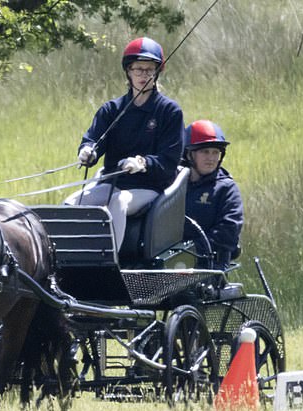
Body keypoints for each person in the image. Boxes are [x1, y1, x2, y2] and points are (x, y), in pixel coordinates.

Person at [65, 37, 185, 251]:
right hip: (112, 183)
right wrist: (87, 151)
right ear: (128, 71)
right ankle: (67, 261)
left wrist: (142, 163)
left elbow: (169, 160)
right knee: (71, 203)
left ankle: (110, 264)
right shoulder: (111, 109)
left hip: (150, 187)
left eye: (149, 70)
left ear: (157, 72)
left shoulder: (169, 111)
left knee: (118, 202)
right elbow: (93, 140)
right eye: (138, 69)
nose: (144, 75)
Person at [182, 119, 244, 270]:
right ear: (189, 154)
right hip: (169, 267)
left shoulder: (227, 189)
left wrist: (189, 251)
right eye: (205, 151)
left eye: (215, 152)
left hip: (209, 269)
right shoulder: (173, 185)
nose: (211, 158)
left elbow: (228, 232)